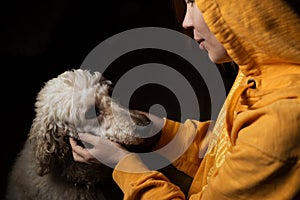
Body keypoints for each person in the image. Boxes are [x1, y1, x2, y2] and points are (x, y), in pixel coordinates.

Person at [69, 0, 300, 199]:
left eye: (193, 2)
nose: (186, 22)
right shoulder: (259, 71)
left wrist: (123, 164)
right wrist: (156, 132)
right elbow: (226, 148)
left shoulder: (281, 120)